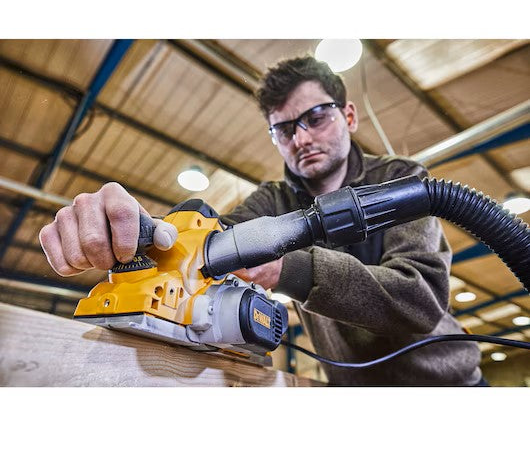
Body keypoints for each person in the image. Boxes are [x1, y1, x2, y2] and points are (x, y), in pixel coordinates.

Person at [39, 55, 484, 386]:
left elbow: (421, 300)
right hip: (351, 393)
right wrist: (137, 230)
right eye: (284, 129)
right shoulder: (273, 200)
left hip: (448, 388)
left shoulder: (402, 180)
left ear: (349, 116)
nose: (301, 138)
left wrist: (289, 267)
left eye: (315, 118)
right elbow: (209, 240)